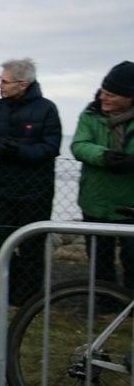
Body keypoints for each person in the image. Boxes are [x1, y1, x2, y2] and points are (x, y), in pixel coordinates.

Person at [0, 58, 62, 305]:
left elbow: (51, 146)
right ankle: (8, 297)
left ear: (23, 84)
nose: (0, 85)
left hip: (37, 192)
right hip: (4, 190)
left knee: (32, 249)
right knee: (0, 247)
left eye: (4, 81)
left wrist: (20, 151)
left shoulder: (47, 110)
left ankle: (29, 302)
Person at [70, 61, 134, 289]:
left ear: (129, 97)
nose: (104, 98)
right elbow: (79, 145)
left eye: (112, 95)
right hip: (96, 202)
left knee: (132, 262)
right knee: (100, 262)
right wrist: (103, 156)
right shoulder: (90, 113)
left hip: (129, 206)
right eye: (103, 92)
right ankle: (105, 307)